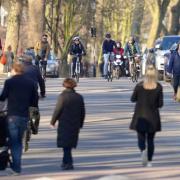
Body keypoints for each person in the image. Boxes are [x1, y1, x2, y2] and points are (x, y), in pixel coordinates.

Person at [0, 62, 38, 175]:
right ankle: (15, 165)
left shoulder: (10, 82)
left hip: (12, 115)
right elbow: (34, 102)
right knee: (18, 142)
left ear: (15, 70)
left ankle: (15, 166)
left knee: (13, 141)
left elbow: (3, 97)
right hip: (24, 116)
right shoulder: (31, 83)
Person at [130, 65, 163, 167]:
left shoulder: (139, 86)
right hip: (153, 117)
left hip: (140, 116)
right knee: (150, 140)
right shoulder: (158, 87)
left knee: (141, 138)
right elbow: (160, 104)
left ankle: (143, 149)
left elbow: (133, 99)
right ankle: (149, 160)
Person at [50, 78, 85, 170]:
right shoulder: (79, 97)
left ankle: (68, 163)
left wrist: (53, 121)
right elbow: (82, 112)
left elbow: (58, 110)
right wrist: (81, 123)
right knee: (68, 144)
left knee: (66, 145)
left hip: (64, 123)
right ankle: (65, 162)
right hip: (75, 124)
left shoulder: (62, 96)